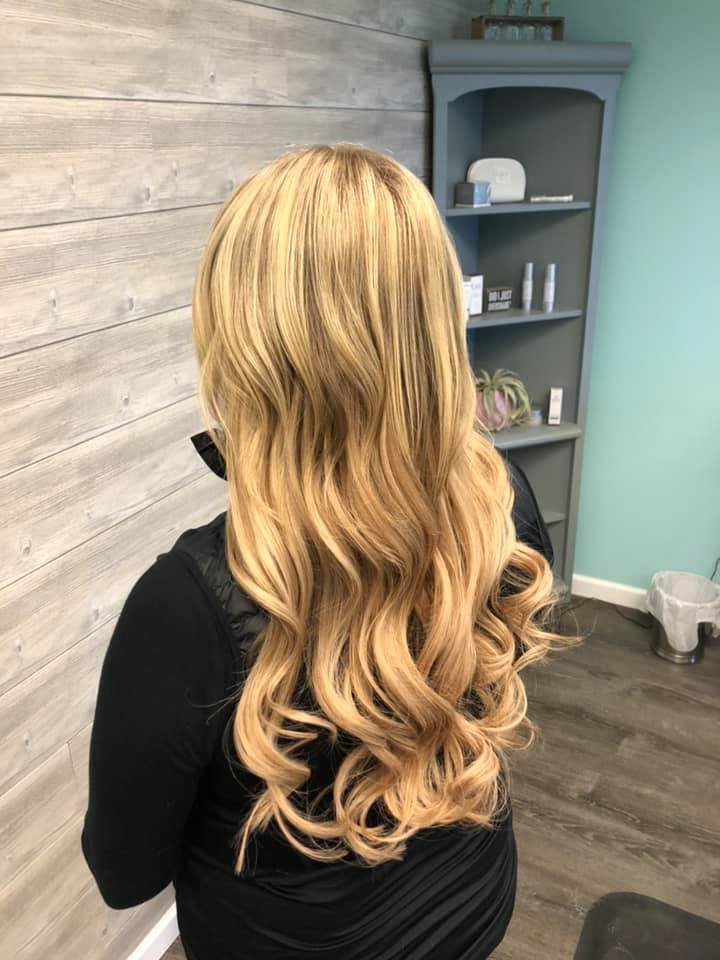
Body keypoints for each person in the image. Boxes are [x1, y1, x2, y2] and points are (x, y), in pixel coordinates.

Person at [82, 144, 558, 960]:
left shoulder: (189, 607)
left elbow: (125, 875)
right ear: (432, 326)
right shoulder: (499, 494)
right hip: (474, 905)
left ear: (248, 346)